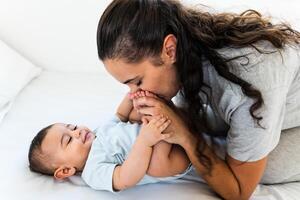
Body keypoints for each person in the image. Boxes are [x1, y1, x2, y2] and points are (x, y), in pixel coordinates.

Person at [97, 0, 300, 199]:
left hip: (278, 101)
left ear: (169, 50)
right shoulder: (188, 44)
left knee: (266, 169)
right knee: (212, 127)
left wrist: (187, 136)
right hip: (274, 99)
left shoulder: (246, 85)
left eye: (138, 81)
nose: (133, 94)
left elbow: (239, 191)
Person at [28, 91, 191, 192]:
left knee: (135, 113)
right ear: (66, 171)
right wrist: (145, 141)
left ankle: (170, 118)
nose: (77, 132)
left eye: (73, 126)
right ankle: (167, 119)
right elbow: (125, 178)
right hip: (171, 160)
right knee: (156, 167)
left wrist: (132, 95)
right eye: (69, 140)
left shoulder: (98, 132)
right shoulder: (92, 171)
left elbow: (120, 115)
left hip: (155, 135)